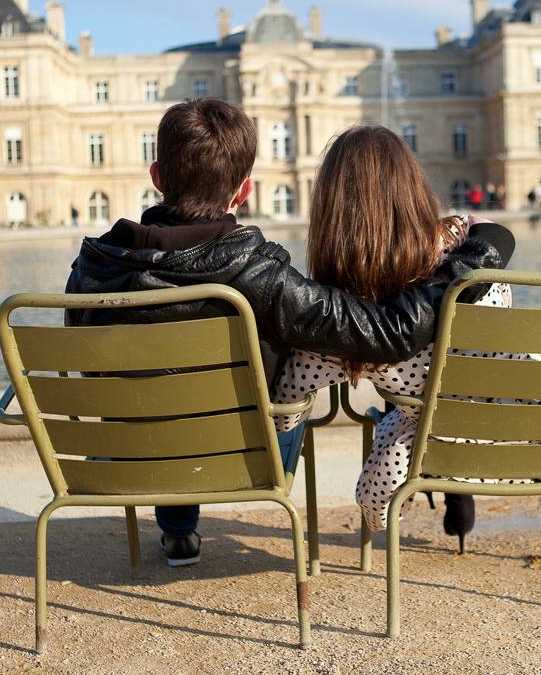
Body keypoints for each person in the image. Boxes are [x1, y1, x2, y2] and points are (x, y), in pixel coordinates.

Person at [64, 99, 502, 567]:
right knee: (281, 409)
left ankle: (177, 530)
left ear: (156, 176)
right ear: (244, 190)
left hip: (122, 454)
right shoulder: (259, 273)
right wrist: (476, 256)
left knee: (164, 401)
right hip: (237, 454)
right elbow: (387, 334)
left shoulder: (90, 268)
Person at [270, 126, 515, 548]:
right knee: (434, 371)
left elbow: (285, 414)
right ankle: (454, 473)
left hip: (425, 435)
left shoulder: (340, 314)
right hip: (526, 428)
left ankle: (432, 451)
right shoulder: (471, 254)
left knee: (402, 391)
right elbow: (492, 230)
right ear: (414, 186)